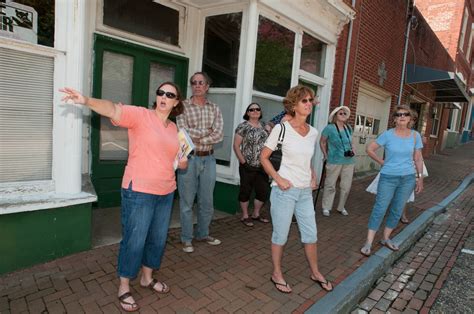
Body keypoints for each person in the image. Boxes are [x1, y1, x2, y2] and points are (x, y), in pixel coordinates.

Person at [60, 82, 188, 312]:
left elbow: (177, 158)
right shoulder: (141, 115)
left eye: (170, 95)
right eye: (161, 93)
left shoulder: (173, 129)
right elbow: (112, 109)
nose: (163, 97)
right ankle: (124, 285)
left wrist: (182, 159)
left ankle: (147, 278)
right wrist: (86, 100)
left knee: (157, 239)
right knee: (134, 239)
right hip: (139, 190)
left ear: (176, 102)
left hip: (166, 191)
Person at [260, 85, 333, 294]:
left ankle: (315, 271)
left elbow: (305, 159)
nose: (309, 104)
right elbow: (263, 158)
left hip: (304, 192)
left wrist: (311, 174)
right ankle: (276, 273)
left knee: (311, 234)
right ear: (293, 105)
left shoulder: (313, 132)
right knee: (280, 235)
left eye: (310, 100)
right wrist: (278, 178)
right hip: (284, 191)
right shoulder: (280, 129)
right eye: (304, 101)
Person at [360, 105, 424, 256]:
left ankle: (386, 238)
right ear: (395, 119)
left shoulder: (415, 136)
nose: (402, 116)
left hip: (408, 178)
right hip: (388, 177)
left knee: (397, 209)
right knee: (380, 208)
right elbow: (369, 149)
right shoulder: (388, 135)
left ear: (410, 118)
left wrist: (419, 178)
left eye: (405, 114)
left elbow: (418, 158)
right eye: (399, 114)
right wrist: (382, 162)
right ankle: (368, 241)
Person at [177, 72, 224, 253]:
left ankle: (203, 234)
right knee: (187, 202)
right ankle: (186, 238)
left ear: (207, 87)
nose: (197, 85)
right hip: (189, 158)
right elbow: (183, 132)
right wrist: (207, 132)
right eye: (194, 83)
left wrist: (198, 135)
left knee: (207, 200)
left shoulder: (215, 108)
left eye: (201, 83)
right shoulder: (182, 107)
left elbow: (219, 135)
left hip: (209, 159)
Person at [233, 103, 270, 227]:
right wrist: (243, 162)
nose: (255, 111)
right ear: (247, 113)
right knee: (245, 190)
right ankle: (244, 215)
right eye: (251, 109)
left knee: (263, 191)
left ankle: (256, 214)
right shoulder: (243, 126)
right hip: (247, 165)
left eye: (257, 109)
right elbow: (236, 146)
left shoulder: (265, 126)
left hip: (263, 165)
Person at [319, 106, 355, 217]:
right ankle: (326, 207)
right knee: (330, 184)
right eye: (341, 113)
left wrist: (353, 150)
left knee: (346, 186)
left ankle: (341, 207)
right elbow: (322, 142)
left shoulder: (348, 127)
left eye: (345, 113)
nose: (343, 114)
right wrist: (326, 155)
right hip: (334, 160)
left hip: (349, 161)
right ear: (335, 116)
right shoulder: (329, 128)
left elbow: (351, 142)